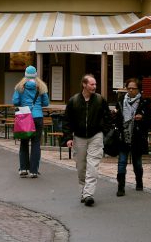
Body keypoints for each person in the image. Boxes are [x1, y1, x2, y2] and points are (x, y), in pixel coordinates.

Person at [62, 74, 111, 207]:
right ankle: (83, 191)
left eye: (95, 84)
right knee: (81, 166)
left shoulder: (100, 100)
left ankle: (89, 194)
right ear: (84, 85)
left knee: (93, 165)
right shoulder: (73, 101)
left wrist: (104, 132)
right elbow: (67, 121)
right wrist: (68, 138)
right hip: (79, 137)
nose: (94, 87)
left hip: (96, 136)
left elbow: (108, 117)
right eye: (92, 84)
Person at [114, 78, 151, 196]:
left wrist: (142, 118)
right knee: (121, 162)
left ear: (138, 89)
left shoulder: (144, 103)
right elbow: (117, 120)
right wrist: (115, 117)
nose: (130, 90)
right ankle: (121, 187)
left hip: (137, 137)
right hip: (124, 136)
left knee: (137, 162)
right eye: (129, 88)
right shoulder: (121, 101)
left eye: (133, 88)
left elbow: (150, 122)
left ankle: (139, 182)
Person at [12, 65, 50, 179]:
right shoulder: (41, 87)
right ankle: (34, 171)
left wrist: (24, 103)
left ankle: (23, 168)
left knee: (24, 142)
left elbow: (15, 101)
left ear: (25, 75)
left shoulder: (20, 87)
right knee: (36, 143)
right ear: (36, 75)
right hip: (37, 117)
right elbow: (46, 103)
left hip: (25, 117)